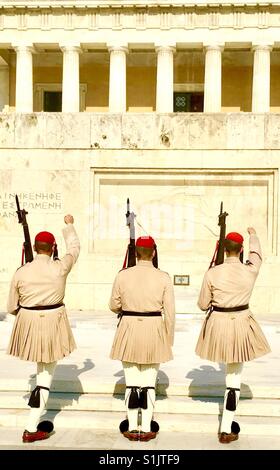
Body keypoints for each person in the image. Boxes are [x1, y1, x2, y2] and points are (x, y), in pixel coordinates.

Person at [7, 214, 80, 443]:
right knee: (45, 377)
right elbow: (74, 249)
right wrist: (69, 226)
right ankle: (31, 427)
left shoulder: (21, 271)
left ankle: (34, 419)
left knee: (42, 373)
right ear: (52, 248)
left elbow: (11, 306)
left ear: (34, 248)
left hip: (29, 322)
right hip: (52, 322)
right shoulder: (60, 267)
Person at [195, 227, 271, 444]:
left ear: (222, 249)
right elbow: (257, 256)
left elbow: (202, 304)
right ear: (241, 250)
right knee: (234, 378)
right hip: (240, 323)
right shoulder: (250, 270)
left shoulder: (212, 273)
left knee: (231, 376)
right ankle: (227, 427)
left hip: (218, 324)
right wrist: (254, 235)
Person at [109, 235, 175, 442]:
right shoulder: (163, 277)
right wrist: (168, 339)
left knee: (131, 383)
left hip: (128, 328)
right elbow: (170, 313)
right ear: (153, 253)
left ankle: (131, 425)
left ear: (135, 254)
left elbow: (113, 305)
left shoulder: (123, 275)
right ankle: (145, 426)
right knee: (148, 383)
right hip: (154, 328)